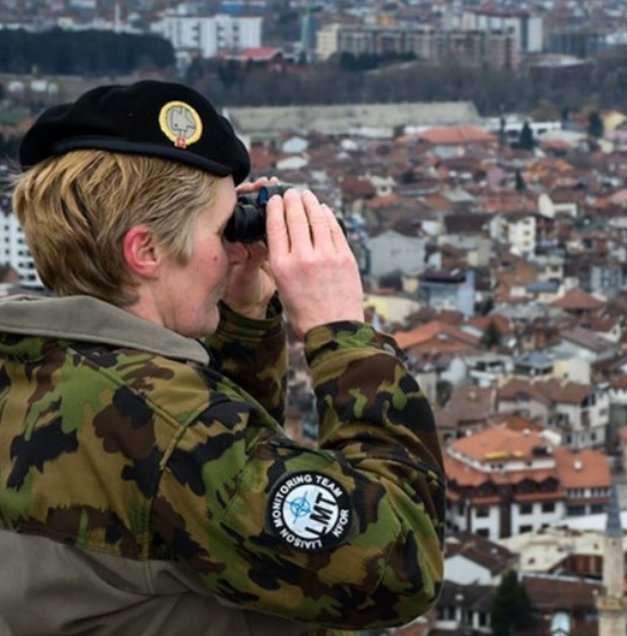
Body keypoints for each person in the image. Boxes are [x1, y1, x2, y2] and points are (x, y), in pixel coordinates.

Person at [0, 80, 445, 635]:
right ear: (146, 251)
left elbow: (209, 504)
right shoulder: (171, 428)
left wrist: (244, 320)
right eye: (221, 229)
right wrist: (342, 333)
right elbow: (402, 567)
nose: (233, 246)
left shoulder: (35, 364)